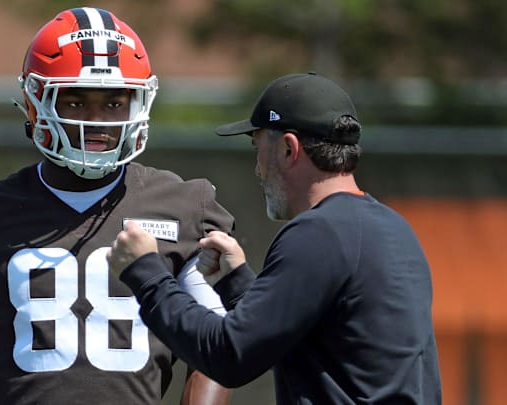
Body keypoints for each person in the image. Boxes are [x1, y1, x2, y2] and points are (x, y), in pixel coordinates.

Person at [0, 7, 234, 405]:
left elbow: (213, 350)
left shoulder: (182, 207)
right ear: (36, 102)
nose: (96, 120)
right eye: (74, 102)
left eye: (114, 103)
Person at [107, 72, 443, 403]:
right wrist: (236, 283)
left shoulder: (317, 233)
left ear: (287, 149)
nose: (257, 169)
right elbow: (299, 343)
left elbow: (229, 356)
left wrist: (147, 274)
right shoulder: (392, 227)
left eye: (258, 148)